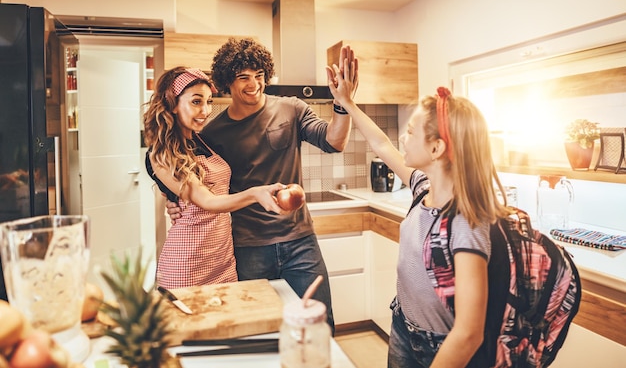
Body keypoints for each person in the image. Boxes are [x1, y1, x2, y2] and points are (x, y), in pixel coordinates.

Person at [166, 38, 358, 332]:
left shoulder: (291, 109)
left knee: (319, 325)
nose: (253, 84)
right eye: (243, 77)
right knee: (260, 326)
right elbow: (191, 178)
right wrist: (171, 200)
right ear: (227, 82)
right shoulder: (213, 132)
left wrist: (343, 105)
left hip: (299, 242)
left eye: (258, 75)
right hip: (247, 247)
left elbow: (334, 141)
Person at [327, 71, 510, 367]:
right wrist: (347, 102)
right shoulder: (421, 186)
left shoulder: (467, 222)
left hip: (440, 347)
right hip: (403, 327)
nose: (403, 137)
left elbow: (468, 334)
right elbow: (382, 144)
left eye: (411, 132)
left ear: (436, 148)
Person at [143, 66, 286, 289]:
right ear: (172, 104)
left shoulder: (203, 141)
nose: (206, 110)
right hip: (187, 262)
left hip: (222, 259)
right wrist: (256, 193)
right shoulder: (161, 154)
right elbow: (208, 202)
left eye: (209, 101)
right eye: (196, 102)